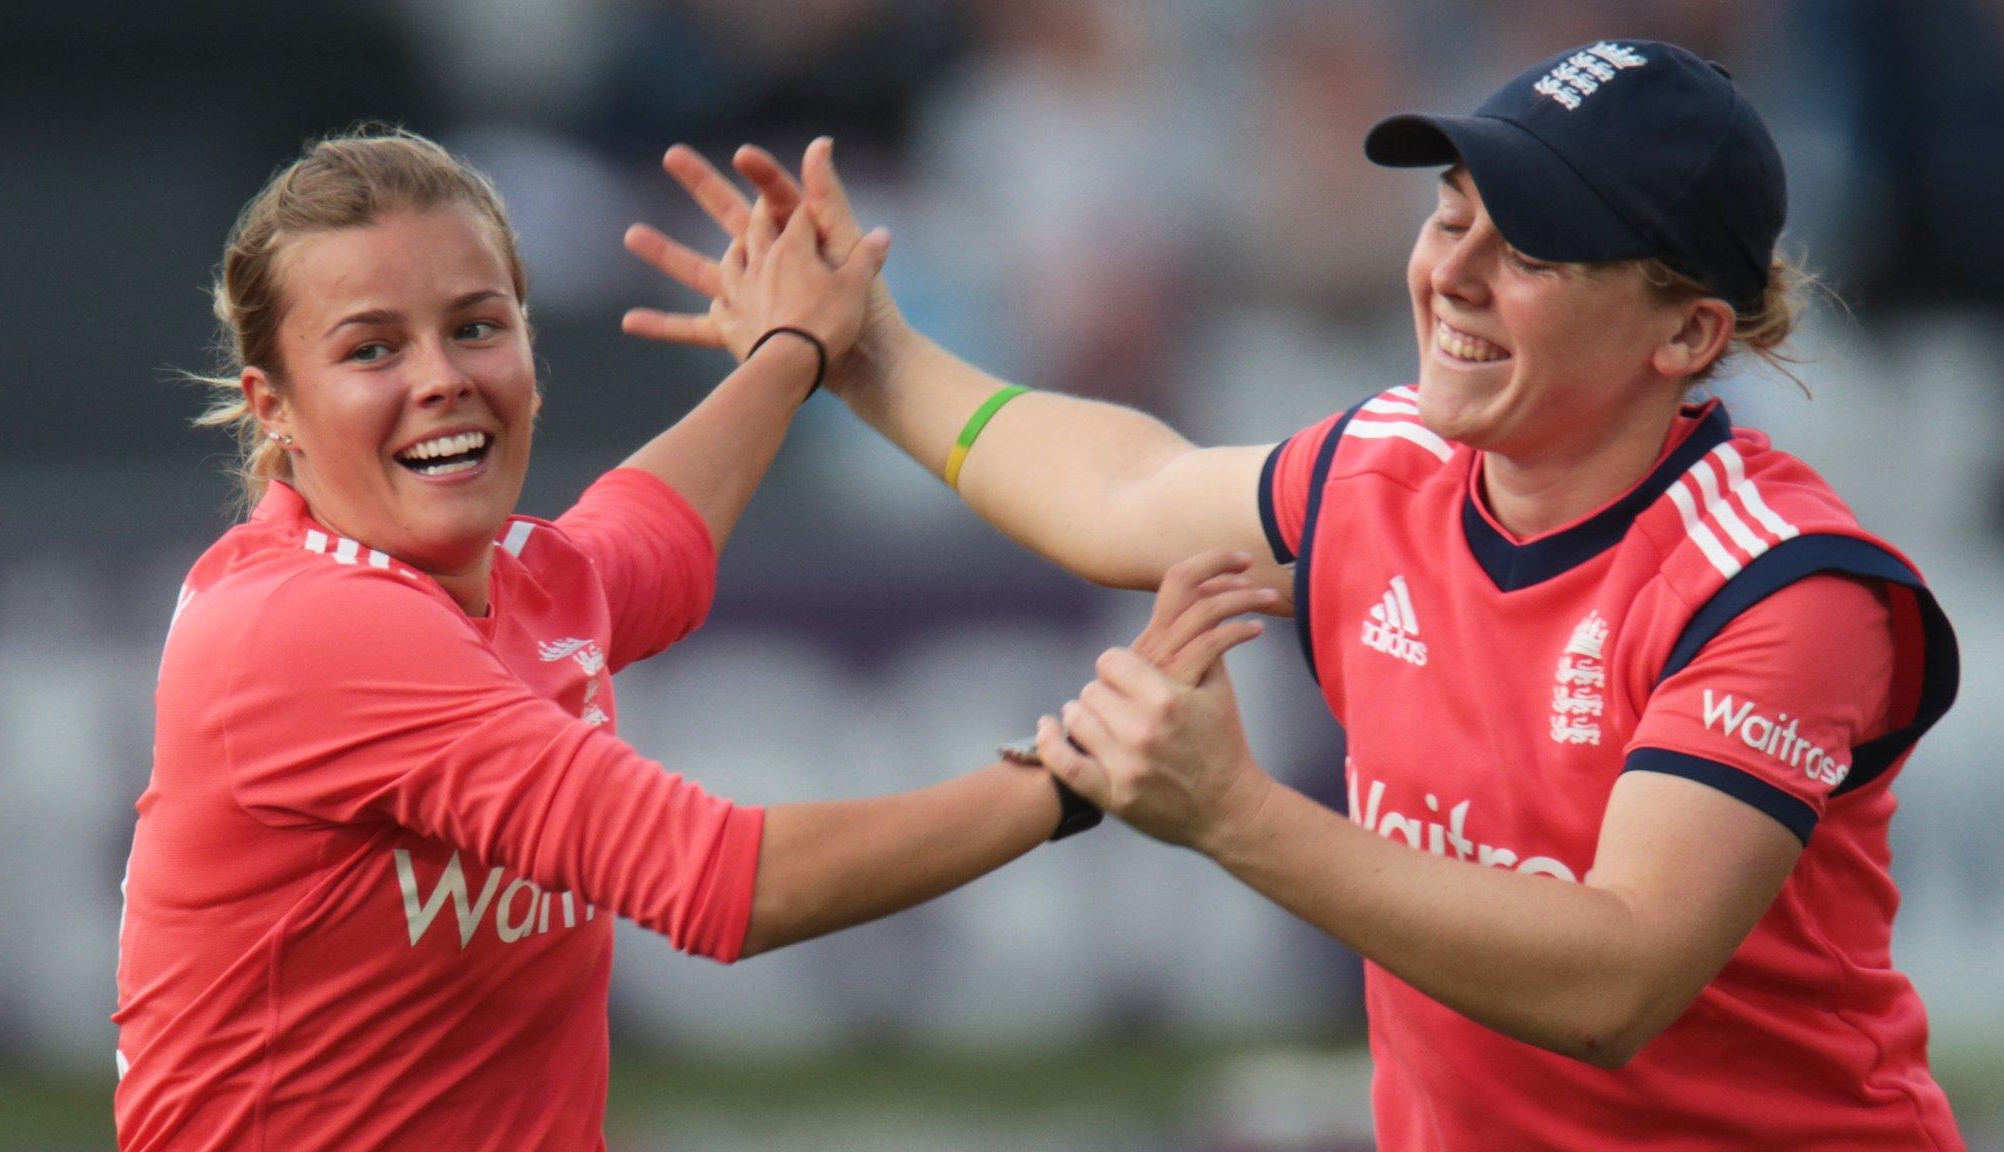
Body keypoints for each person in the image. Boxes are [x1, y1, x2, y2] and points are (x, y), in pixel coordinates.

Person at [631, 40, 1967, 1151]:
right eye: (1451, 215)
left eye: (1535, 252)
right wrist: (863, 349)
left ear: (1688, 335)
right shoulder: (1386, 466)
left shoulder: (1781, 587)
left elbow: (1614, 978)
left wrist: (1238, 818)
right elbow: (1118, 494)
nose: (1451, 272)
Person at [112, 125, 1269, 1152]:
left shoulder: (491, 579)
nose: (442, 380)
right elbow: (728, 885)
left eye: (476, 327)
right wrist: (1077, 774)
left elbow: (644, 537)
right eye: (372, 350)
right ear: (274, 409)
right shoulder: (312, 631)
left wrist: (794, 350)